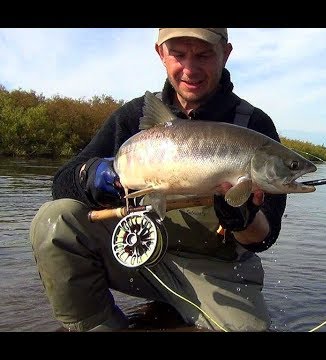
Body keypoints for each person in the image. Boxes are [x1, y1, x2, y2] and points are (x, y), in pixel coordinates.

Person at [30, 28, 287, 332]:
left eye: (204, 55)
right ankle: (99, 325)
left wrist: (242, 220)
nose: (190, 69)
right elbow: (62, 183)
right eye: (179, 54)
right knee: (55, 220)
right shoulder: (134, 116)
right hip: (139, 253)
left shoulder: (254, 126)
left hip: (215, 271)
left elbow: (264, 238)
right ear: (161, 54)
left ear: (226, 53)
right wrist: (92, 176)